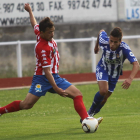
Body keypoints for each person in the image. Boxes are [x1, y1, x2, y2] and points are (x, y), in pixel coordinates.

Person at [0, 3, 91, 124]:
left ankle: (86, 120)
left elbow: (34, 24)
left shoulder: (40, 33)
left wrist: (30, 11)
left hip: (55, 77)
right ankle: (1, 110)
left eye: (53, 31)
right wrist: (56, 88)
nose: (52, 34)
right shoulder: (43, 48)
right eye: (49, 32)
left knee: (77, 95)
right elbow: (47, 71)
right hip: (42, 79)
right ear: (42, 33)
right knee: (27, 105)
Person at [87, 27, 139, 118]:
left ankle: (91, 115)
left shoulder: (124, 48)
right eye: (111, 41)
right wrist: (96, 46)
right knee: (103, 90)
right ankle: (89, 113)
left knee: (104, 99)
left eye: (115, 42)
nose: (112, 44)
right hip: (103, 68)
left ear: (120, 41)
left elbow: (136, 64)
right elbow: (101, 31)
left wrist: (130, 79)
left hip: (115, 74)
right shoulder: (104, 41)